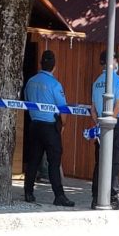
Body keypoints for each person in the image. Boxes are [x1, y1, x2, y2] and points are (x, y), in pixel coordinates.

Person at [23, 50, 74, 207]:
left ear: (40, 64)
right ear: (54, 67)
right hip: (49, 127)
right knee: (54, 162)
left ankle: (28, 192)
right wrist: (62, 125)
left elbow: (26, 101)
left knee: (33, 161)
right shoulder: (55, 85)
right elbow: (63, 109)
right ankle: (59, 195)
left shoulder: (30, 81)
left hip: (34, 126)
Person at [89, 50, 119, 209]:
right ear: (110, 61)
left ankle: (95, 198)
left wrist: (100, 123)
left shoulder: (96, 82)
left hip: (100, 124)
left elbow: (93, 110)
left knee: (100, 162)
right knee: (114, 162)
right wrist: (111, 121)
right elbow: (118, 105)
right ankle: (112, 198)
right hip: (115, 124)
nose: (117, 62)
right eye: (115, 59)